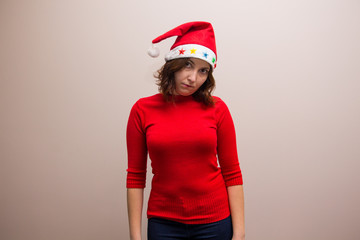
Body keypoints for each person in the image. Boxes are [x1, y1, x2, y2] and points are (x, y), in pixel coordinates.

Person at [126, 21, 245, 240]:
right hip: (163, 223)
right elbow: (135, 176)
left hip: (215, 223)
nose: (193, 78)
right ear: (173, 63)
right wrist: (135, 236)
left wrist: (239, 233)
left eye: (203, 71)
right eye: (188, 65)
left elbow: (232, 173)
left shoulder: (218, 109)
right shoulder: (142, 110)